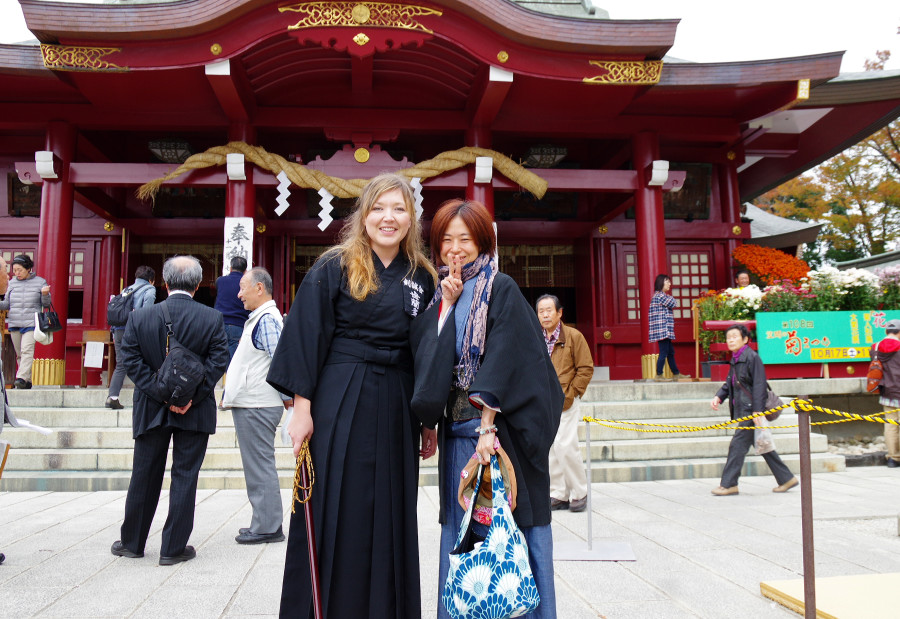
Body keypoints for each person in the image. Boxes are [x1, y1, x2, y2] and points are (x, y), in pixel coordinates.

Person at [267, 173, 437, 619]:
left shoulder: (422, 276)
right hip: (341, 396)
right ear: (363, 216)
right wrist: (301, 409)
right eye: (378, 208)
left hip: (398, 401)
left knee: (392, 509)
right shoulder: (335, 265)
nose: (388, 217)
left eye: (399, 209)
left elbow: (426, 349)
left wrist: (428, 419)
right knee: (335, 503)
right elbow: (308, 334)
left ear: (411, 219)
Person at [409, 199, 564, 619]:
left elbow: (508, 354)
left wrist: (488, 425)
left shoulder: (501, 287)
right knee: (462, 530)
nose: (455, 248)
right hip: (457, 434)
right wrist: (446, 305)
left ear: (482, 242)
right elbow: (428, 360)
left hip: (497, 436)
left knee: (509, 534)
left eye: (465, 239)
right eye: (446, 240)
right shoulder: (438, 293)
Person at [111, 255, 229, 565]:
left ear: (164, 283)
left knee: (144, 475)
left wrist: (161, 394)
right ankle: (173, 548)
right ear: (198, 285)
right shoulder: (212, 318)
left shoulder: (140, 317)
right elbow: (218, 361)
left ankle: (132, 542)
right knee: (185, 475)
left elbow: (131, 360)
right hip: (195, 410)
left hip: (151, 407)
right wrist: (190, 397)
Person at [222, 267, 291, 544]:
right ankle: (262, 521)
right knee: (257, 465)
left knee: (259, 465)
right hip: (254, 402)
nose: (239, 294)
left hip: (257, 404)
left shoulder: (266, 319)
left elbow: (280, 362)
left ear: (259, 288)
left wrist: (287, 398)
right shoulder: (261, 317)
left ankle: (267, 526)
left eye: (243, 288)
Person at [710, 324, 798, 496]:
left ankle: (729, 484)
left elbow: (759, 385)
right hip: (745, 409)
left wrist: (757, 411)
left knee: (737, 446)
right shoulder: (736, 358)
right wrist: (719, 396)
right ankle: (786, 479)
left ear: (745, 339)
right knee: (764, 446)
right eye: (728, 337)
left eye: (735, 337)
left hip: (750, 411)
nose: (731, 340)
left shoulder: (752, 357)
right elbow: (730, 383)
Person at [536, 294, 594, 513]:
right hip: (543, 401)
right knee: (550, 448)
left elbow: (585, 368)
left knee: (565, 446)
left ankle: (579, 492)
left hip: (566, 400)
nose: (545, 315)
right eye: (541, 311)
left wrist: (572, 393)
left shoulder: (573, 336)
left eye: (549, 310)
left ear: (559, 313)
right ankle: (558, 493)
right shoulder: (536, 337)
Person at [106, 266, 157, 410]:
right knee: (145, 362)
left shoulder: (126, 289)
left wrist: (113, 332)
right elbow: (146, 314)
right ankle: (146, 398)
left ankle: (112, 397)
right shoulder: (149, 290)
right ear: (151, 280)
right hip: (134, 331)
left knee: (121, 364)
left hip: (118, 331)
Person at [0, 255, 51, 389]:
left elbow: (46, 304)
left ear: (28, 269)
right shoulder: (12, 283)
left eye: (20, 270)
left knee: (27, 350)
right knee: (20, 354)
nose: (17, 273)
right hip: (15, 323)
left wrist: (45, 294)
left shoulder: (40, 282)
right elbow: (6, 304)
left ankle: (21, 378)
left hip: (31, 323)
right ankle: (27, 381)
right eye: (14, 270)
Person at [648, 273, 689, 382]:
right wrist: (671, 298)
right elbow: (673, 303)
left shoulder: (659, 296)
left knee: (670, 352)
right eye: (667, 282)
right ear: (661, 283)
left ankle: (676, 373)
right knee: (664, 352)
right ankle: (659, 375)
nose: (670, 284)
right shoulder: (660, 296)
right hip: (663, 329)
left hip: (664, 329)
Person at [871, 319, 900, 468]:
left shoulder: (875, 347)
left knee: (890, 425)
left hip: (887, 392)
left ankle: (893, 458)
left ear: (886, 331)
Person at [215, 256, 250, 361]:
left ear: (230, 268)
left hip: (220, 324)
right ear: (245, 271)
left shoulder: (220, 281)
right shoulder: (247, 284)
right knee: (235, 360)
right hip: (238, 324)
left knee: (219, 358)